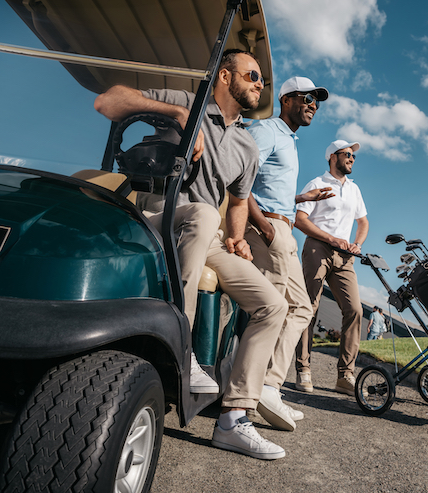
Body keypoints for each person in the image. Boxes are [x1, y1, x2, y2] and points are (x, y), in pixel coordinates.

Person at [94, 49, 289, 460]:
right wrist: (177, 115)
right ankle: (182, 349)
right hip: (152, 213)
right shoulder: (185, 102)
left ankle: (234, 419)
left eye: (262, 81)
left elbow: (237, 203)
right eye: (253, 75)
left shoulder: (247, 146)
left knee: (273, 304)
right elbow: (107, 102)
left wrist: (237, 238)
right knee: (200, 213)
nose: (259, 84)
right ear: (224, 75)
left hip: (207, 235)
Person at [245, 77, 332, 428]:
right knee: (284, 309)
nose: (313, 104)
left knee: (300, 309)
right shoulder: (266, 131)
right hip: (269, 228)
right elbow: (239, 179)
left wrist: (300, 199)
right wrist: (264, 227)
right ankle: (257, 391)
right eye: (307, 97)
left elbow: (270, 186)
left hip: (281, 226)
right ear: (286, 99)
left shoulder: (289, 140)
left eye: (317, 101)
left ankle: (268, 386)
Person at [294, 139, 369, 396]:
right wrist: (330, 238)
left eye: (353, 156)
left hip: (345, 256)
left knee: (354, 310)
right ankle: (303, 369)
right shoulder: (317, 184)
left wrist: (357, 243)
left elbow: (363, 222)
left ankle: (345, 375)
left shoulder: (354, 190)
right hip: (318, 248)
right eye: (347, 154)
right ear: (332, 157)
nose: (351, 158)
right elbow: (299, 219)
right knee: (310, 307)